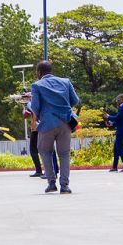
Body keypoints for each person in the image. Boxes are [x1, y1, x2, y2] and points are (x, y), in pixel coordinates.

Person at [29, 60, 80, 195]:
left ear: (39, 73)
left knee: (44, 151)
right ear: (51, 71)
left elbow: (35, 107)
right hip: (65, 122)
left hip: (47, 123)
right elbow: (75, 101)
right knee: (64, 154)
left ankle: (51, 182)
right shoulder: (66, 82)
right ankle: (65, 186)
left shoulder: (36, 85)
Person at [105, 94, 123, 172]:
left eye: (119, 99)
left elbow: (117, 117)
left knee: (120, 148)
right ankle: (114, 167)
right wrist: (112, 123)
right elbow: (121, 119)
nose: (117, 101)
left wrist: (108, 116)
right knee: (116, 148)